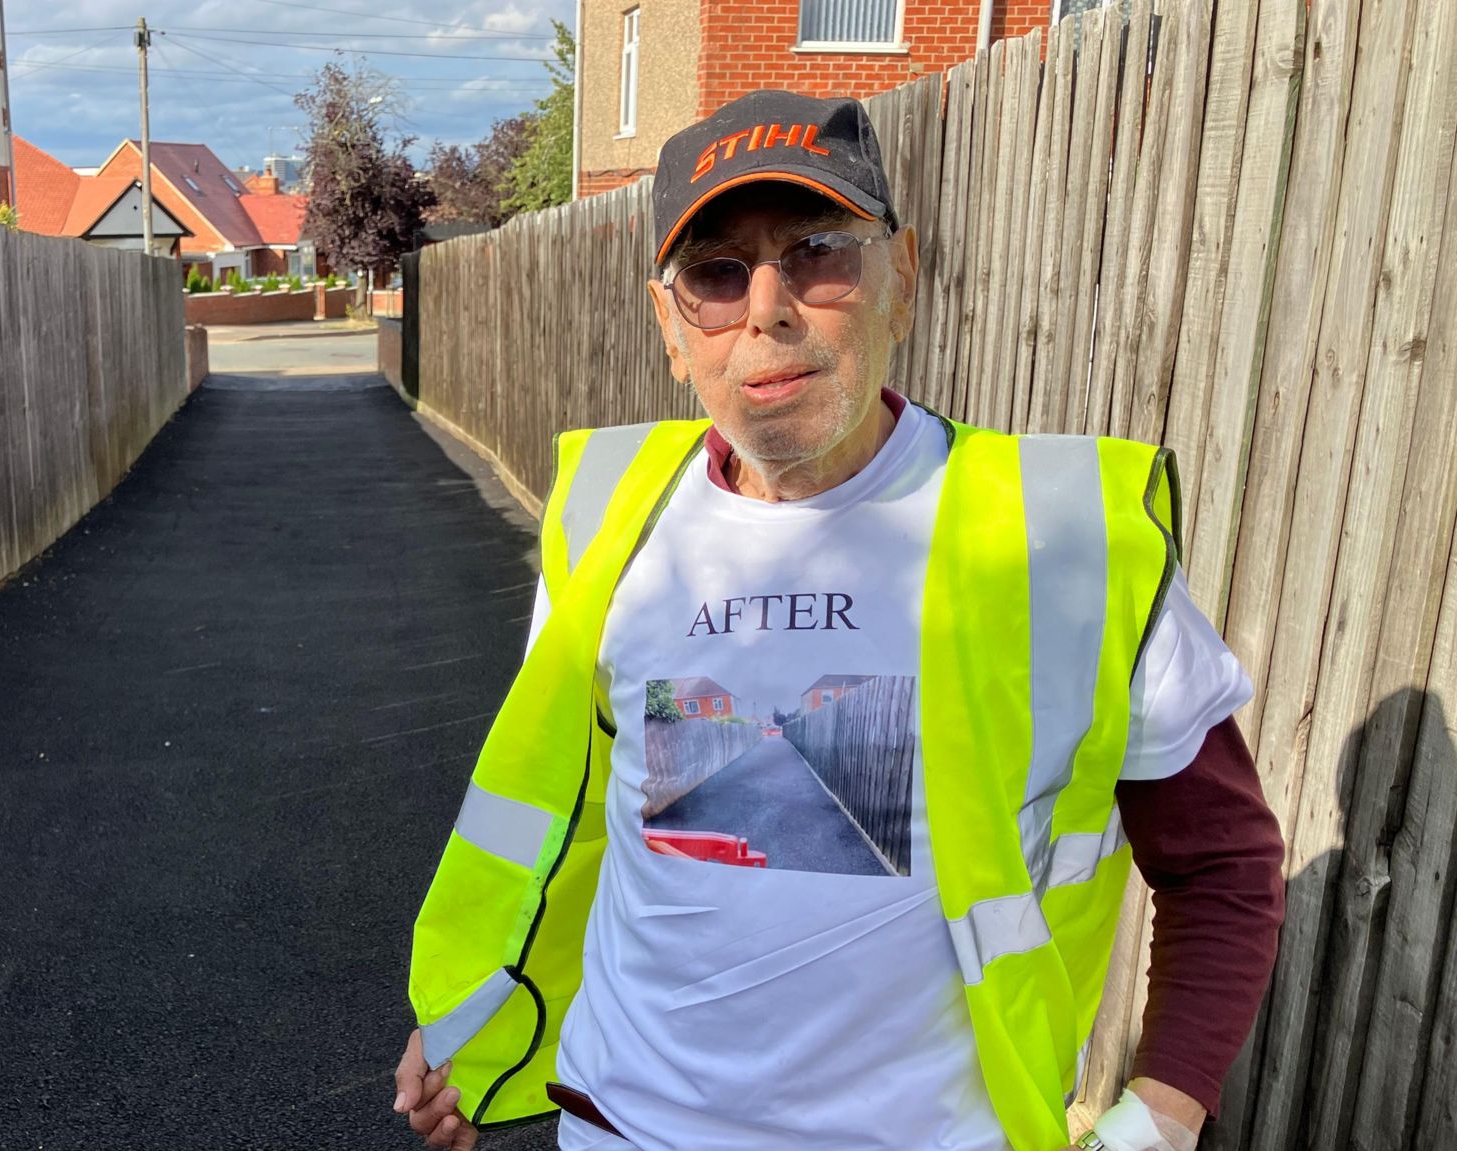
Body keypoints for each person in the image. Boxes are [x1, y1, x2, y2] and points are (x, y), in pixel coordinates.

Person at [390, 90, 1285, 1151]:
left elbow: (1220, 862)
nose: (765, 307)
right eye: (716, 274)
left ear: (899, 279)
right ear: (669, 327)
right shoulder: (609, 519)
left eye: (816, 252)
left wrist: (1161, 1116)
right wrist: (470, 1026)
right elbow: (582, 827)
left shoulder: (1064, 542)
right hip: (621, 1126)